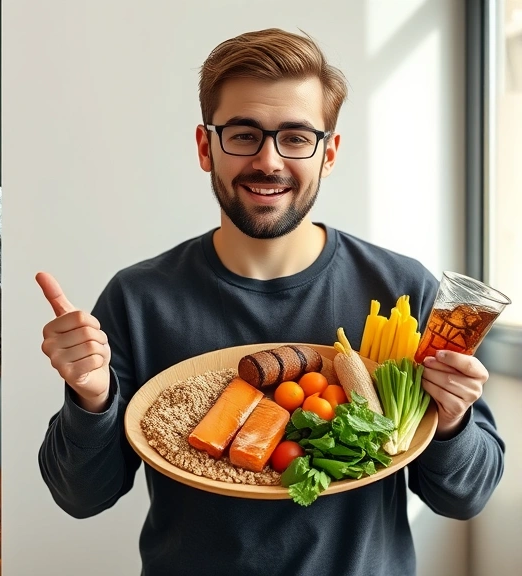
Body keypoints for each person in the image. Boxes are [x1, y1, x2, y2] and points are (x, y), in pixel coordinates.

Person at [35, 28, 503, 576]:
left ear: (328, 153)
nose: (269, 160)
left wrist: (451, 419)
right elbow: (80, 497)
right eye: (243, 134)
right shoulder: (140, 299)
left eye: (296, 137)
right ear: (206, 146)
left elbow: (465, 497)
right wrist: (91, 398)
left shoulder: (401, 291)